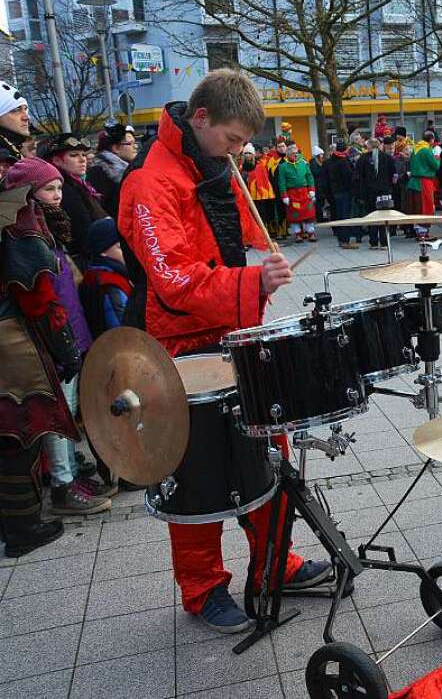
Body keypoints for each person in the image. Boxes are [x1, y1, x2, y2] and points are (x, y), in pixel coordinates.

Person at [114, 69, 331, 633]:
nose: (240, 152)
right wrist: (250, 285)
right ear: (200, 118)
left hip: (229, 331)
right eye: (233, 140)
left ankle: (273, 564)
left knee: (266, 450)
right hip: (177, 343)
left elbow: (239, 230)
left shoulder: (212, 161)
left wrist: (263, 259)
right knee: (194, 473)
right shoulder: (149, 182)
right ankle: (203, 586)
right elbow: (174, 281)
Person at [0, 158, 85, 555]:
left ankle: (16, 524)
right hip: (12, 338)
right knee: (20, 431)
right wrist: (64, 348)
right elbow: (38, 298)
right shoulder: (18, 228)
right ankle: (23, 528)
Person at [21, 158, 114, 515]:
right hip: (56, 337)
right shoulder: (29, 233)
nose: (57, 195)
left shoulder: (51, 228)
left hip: (71, 331)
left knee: (70, 408)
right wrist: (61, 340)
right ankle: (62, 485)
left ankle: (71, 475)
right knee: (59, 414)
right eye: (49, 188)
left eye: (60, 187)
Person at [45, 134, 107, 268]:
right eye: (74, 155)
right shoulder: (64, 189)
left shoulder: (81, 185)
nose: (82, 160)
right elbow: (83, 229)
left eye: (84, 155)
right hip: (86, 260)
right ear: (57, 160)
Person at [78, 217, 131, 338]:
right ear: (103, 251)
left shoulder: (99, 274)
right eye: (120, 246)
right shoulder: (109, 284)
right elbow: (122, 331)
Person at [87, 124, 138, 216]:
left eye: (135, 143)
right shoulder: (98, 172)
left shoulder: (130, 169)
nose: (135, 147)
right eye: (130, 143)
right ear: (116, 148)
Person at [355, 137, 395, 250]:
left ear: (368, 147)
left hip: (369, 193)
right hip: (384, 193)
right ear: (379, 145)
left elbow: (358, 177)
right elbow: (394, 175)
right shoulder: (387, 158)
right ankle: (384, 242)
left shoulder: (363, 159)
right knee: (383, 217)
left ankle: (373, 242)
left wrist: (360, 193)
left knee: (372, 217)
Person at [277, 143, 318, 243]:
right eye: (292, 153)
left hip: (304, 192)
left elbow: (309, 177)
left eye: (296, 153)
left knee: (309, 213)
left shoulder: (303, 163)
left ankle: (311, 232)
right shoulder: (283, 166)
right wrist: (284, 196)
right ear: (288, 154)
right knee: (294, 214)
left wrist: (312, 190)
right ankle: (298, 234)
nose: (295, 155)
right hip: (292, 193)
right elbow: (281, 182)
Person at [409, 131, 441, 240]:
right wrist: (437, 157)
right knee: (426, 208)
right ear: (431, 140)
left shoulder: (415, 149)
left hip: (413, 182)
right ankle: (423, 233)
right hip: (424, 182)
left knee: (416, 208)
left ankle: (418, 232)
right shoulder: (427, 150)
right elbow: (436, 166)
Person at [309, 145, 328, 222]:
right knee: (318, 203)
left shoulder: (318, 162)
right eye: (321, 154)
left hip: (320, 186)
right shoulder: (313, 163)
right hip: (317, 186)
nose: (322, 156)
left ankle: (321, 216)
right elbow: (316, 172)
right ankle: (320, 217)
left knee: (320, 203)